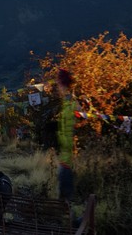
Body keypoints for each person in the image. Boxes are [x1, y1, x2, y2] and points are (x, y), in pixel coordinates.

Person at [52, 70, 79, 203]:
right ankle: (69, 218)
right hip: (65, 157)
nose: (57, 87)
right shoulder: (66, 103)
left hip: (68, 158)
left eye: (58, 83)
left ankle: (72, 221)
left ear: (63, 84)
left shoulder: (72, 103)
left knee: (66, 195)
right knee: (64, 194)